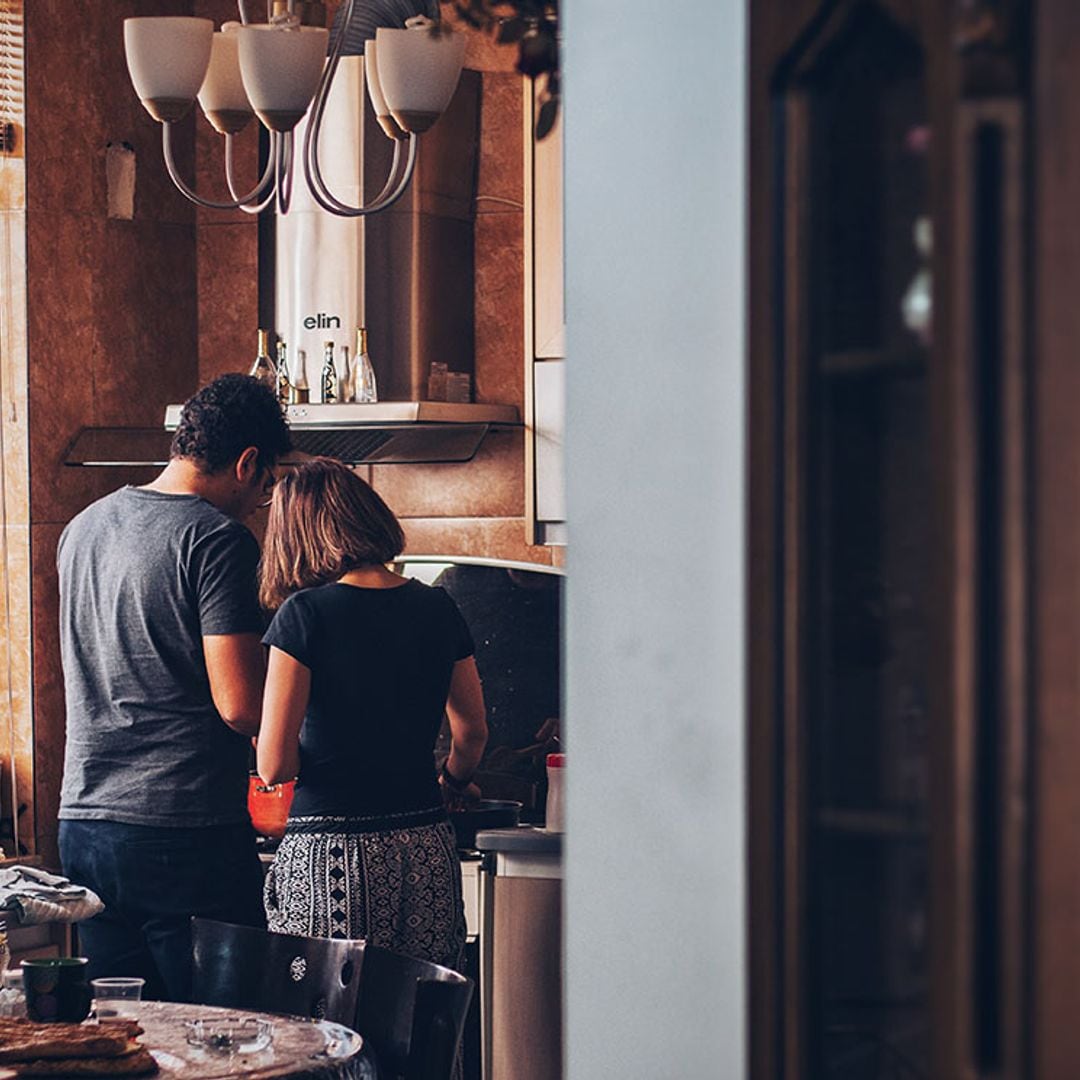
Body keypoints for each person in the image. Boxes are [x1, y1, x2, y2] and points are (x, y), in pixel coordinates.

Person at [57, 373, 292, 1001]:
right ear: (247, 464)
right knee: (225, 1039)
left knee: (129, 1038)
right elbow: (241, 706)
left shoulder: (82, 528)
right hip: (180, 831)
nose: (260, 501)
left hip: (84, 825)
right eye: (267, 485)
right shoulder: (217, 541)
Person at [257, 458, 487, 972]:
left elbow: (275, 766)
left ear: (296, 535)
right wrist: (452, 781)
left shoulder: (304, 615)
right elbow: (471, 732)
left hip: (330, 856)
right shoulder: (437, 606)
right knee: (423, 1020)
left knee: (327, 1029)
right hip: (425, 845)